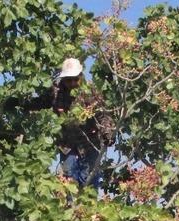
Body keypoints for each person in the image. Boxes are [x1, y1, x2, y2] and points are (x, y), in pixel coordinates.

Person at [9, 58, 114, 187]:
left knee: (89, 180)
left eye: (75, 79)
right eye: (69, 80)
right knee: (68, 180)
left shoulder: (91, 92)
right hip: (67, 143)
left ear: (81, 76)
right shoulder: (55, 91)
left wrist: (107, 133)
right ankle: (71, 199)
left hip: (89, 142)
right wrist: (19, 103)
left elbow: (103, 115)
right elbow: (40, 102)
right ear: (63, 78)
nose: (72, 83)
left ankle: (87, 199)